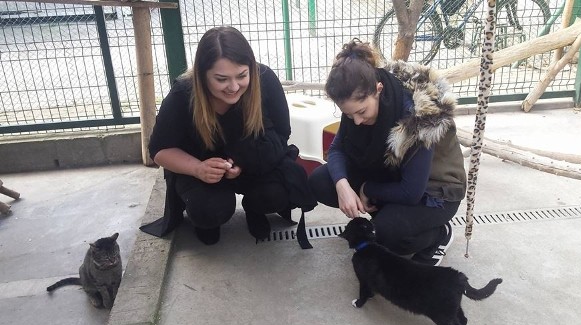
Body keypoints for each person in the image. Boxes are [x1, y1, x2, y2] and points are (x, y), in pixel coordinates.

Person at [140, 26, 316, 248]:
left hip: (252, 161)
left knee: (277, 193)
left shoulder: (265, 79)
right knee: (208, 211)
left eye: (242, 75)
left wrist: (244, 162)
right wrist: (198, 169)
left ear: (251, 68)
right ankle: (207, 221)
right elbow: (159, 150)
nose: (234, 87)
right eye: (221, 79)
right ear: (202, 75)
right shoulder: (182, 95)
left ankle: (255, 209)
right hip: (200, 169)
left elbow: (283, 133)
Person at [309, 39, 467, 265]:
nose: (357, 121)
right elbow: (336, 149)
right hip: (391, 174)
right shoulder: (356, 100)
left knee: (388, 233)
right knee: (322, 181)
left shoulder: (419, 116)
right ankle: (385, 213)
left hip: (433, 191)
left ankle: (438, 234)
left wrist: (367, 188)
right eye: (349, 115)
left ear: (378, 90)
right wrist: (342, 185)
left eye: (362, 112)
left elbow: (411, 191)